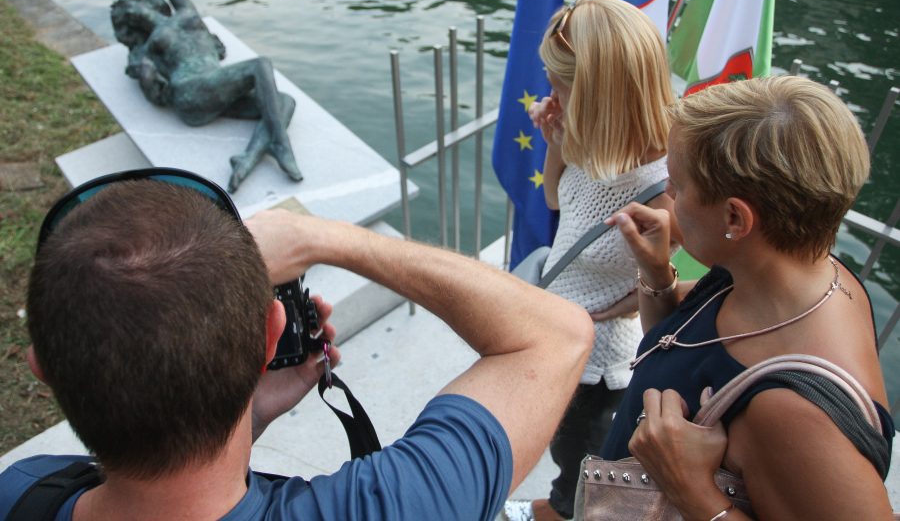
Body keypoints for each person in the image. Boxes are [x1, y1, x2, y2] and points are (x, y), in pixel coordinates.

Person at [0, 168, 593, 520]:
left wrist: (245, 412)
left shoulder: (22, 491)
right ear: (272, 335)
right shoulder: (395, 507)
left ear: (42, 368)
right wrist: (324, 239)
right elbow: (557, 335)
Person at [601, 75, 895, 519]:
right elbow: (678, 342)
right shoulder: (781, 275)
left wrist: (693, 491)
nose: (668, 196)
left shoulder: (794, 417)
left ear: (735, 219)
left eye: (677, 186)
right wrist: (657, 273)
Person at [506, 0, 679, 521]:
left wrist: (623, 304)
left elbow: (669, 277)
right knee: (567, 445)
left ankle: (563, 510)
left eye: (560, 85)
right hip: (563, 329)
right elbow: (556, 201)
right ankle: (563, 502)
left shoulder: (666, 187)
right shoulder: (597, 139)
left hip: (601, 359)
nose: (549, 94)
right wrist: (556, 141)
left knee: (583, 453)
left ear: (599, 92)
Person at [111, 0, 303, 193]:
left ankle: (247, 159)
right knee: (260, 65)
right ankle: (281, 142)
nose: (132, 12)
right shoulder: (146, 48)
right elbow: (153, 89)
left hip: (214, 88)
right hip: (189, 92)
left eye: (131, 6)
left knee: (285, 101)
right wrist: (148, 74)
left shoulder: (185, 12)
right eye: (127, 15)